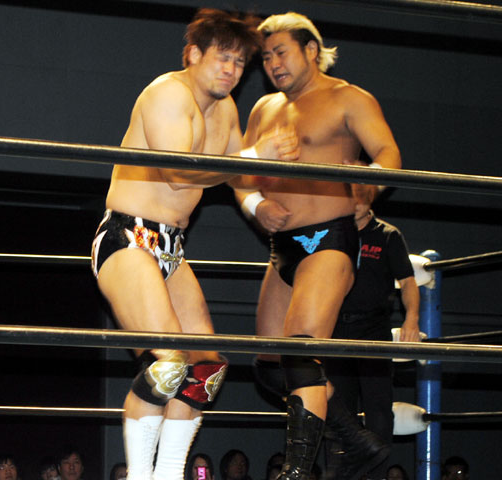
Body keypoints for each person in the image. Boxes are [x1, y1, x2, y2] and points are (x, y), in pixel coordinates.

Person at [91, 8, 299, 480]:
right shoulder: (167, 93)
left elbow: (237, 173)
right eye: (222, 57)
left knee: (206, 369)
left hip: (171, 246)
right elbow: (179, 173)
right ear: (193, 54)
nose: (231, 70)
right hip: (129, 237)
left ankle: (169, 473)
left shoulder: (225, 111)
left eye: (239, 62)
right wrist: (254, 157)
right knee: (169, 365)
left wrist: (264, 192)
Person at [234, 11, 402, 480]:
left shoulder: (348, 98)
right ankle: (356, 439)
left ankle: (296, 472)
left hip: (328, 239)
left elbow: (389, 154)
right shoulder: (263, 109)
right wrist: (255, 206)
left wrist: (368, 184)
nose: (273, 64)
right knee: (271, 366)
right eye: (266, 57)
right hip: (282, 247)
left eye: (281, 52)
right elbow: (238, 174)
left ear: (311, 49)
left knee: (300, 352)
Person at [324, 194, 420, 479]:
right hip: (337, 330)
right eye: (351, 195)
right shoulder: (333, 232)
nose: (356, 202)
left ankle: (377, 476)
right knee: (338, 410)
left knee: (379, 411)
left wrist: (412, 318)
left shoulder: (387, 235)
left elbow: (408, 281)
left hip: (373, 331)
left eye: (361, 195)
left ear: (370, 198)